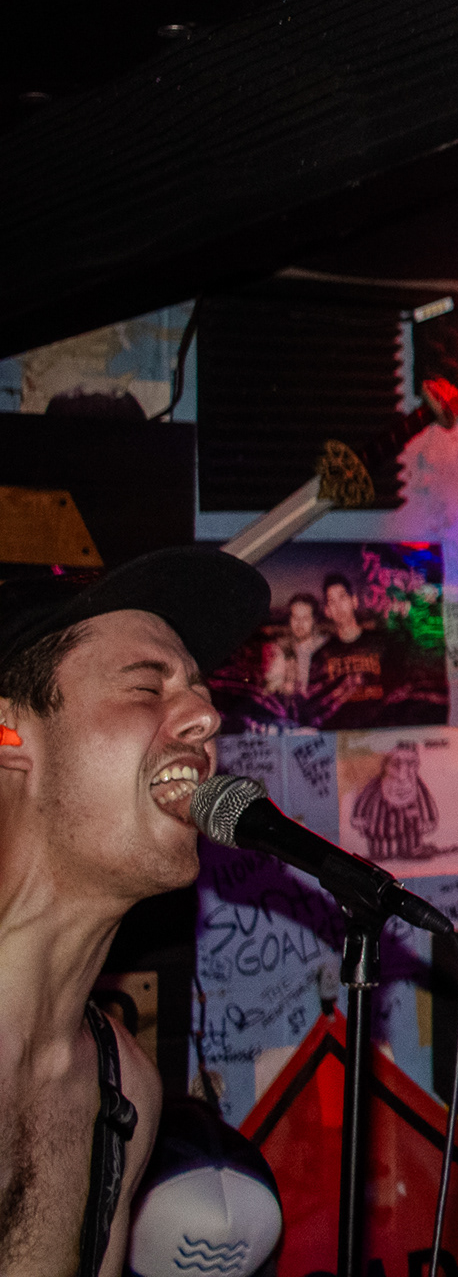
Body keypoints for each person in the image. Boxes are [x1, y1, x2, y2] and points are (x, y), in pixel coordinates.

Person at [0, 546, 269, 1277]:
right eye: (147, 686)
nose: (208, 717)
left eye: (202, 692)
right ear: (10, 734)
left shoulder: (124, 1091)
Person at [308, 573, 395, 730]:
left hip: (380, 731)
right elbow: (317, 707)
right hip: (341, 735)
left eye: (342, 598)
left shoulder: (381, 644)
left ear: (354, 601)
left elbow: (396, 690)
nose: (338, 606)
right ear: (327, 611)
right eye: (332, 601)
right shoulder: (321, 656)